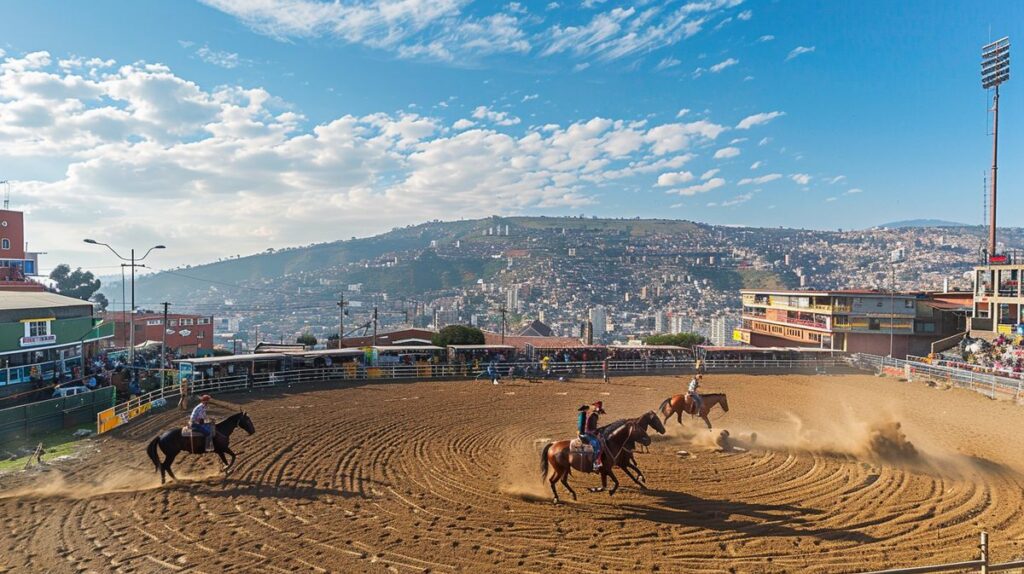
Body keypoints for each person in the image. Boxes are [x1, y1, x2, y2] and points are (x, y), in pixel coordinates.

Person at [576, 401, 606, 470]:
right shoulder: (592, 415)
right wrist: (595, 432)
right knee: (596, 445)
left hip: (587, 432)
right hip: (587, 433)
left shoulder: (591, 415)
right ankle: (595, 463)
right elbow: (588, 427)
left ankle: (599, 460)